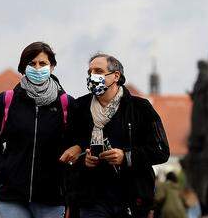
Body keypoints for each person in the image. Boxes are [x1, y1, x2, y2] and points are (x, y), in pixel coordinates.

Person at [0, 42, 80, 218]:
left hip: (51, 196)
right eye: (32, 63)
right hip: (12, 196)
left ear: (52, 66)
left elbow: (77, 144)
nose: (37, 68)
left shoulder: (66, 104)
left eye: (42, 63)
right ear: (23, 68)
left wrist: (65, 185)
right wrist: (6, 171)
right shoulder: (7, 101)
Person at [72, 53, 170, 218]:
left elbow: (161, 151)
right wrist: (84, 159)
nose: (92, 76)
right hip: (91, 199)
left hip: (131, 198)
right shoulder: (80, 107)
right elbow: (71, 149)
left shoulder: (140, 108)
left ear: (116, 76)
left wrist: (125, 156)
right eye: (90, 72)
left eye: (98, 71)